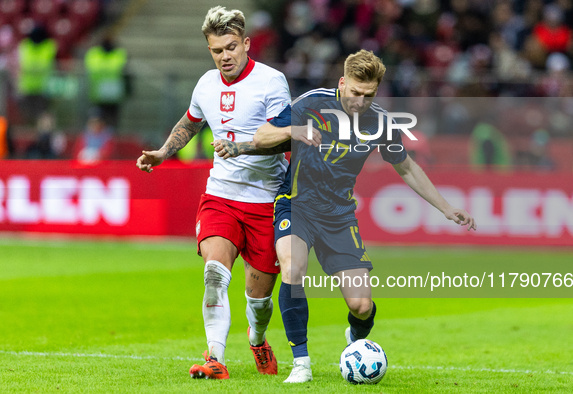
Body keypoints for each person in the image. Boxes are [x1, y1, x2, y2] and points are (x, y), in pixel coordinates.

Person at [213, 50, 477, 383]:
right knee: (293, 268)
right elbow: (262, 135)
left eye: (368, 95)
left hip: (338, 216)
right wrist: (293, 131)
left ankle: (354, 340)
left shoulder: (380, 121)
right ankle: (301, 363)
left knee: (361, 306)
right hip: (296, 205)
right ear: (342, 83)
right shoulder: (311, 104)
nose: (359, 101)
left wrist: (446, 207)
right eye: (354, 92)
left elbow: (406, 167)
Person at [136, 6, 291, 380]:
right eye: (217, 49)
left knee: (259, 301)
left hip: (266, 201)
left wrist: (241, 147)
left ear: (246, 44)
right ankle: (215, 359)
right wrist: (162, 152)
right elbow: (190, 121)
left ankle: (257, 339)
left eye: (231, 47)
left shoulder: (272, 82)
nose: (225, 56)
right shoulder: (206, 83)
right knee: (214, 275)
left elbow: (285, 139)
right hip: (220, 196)